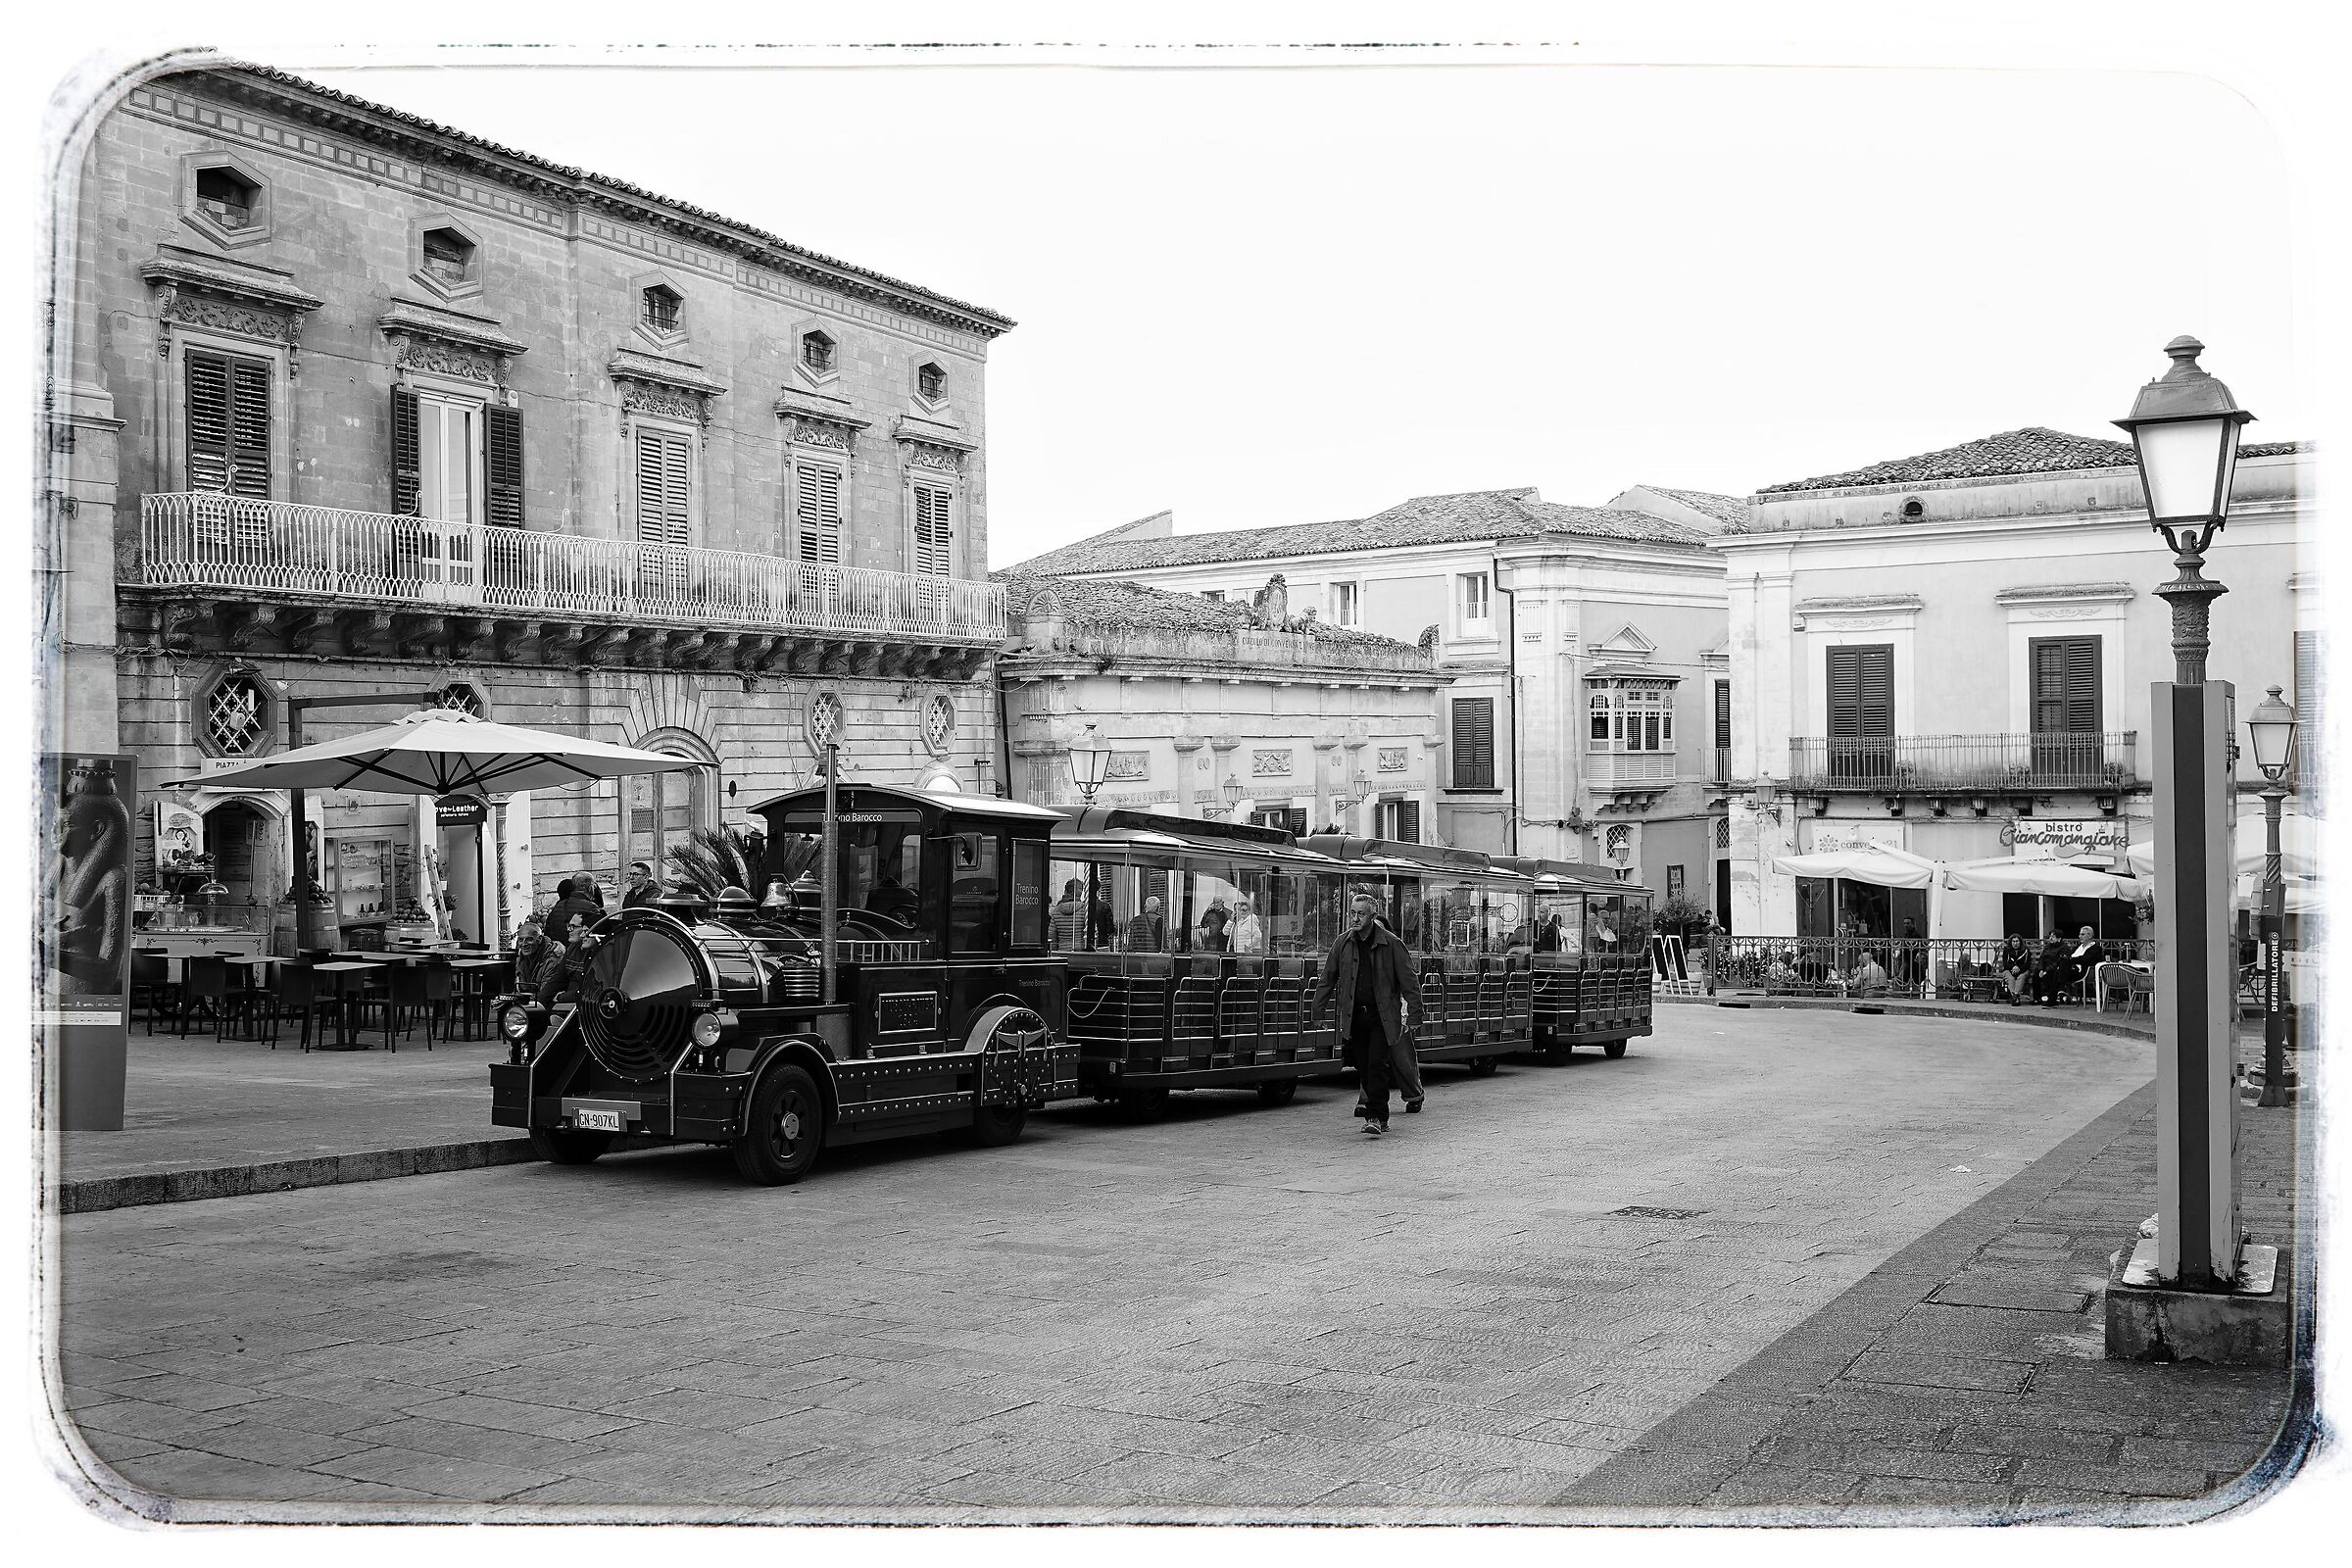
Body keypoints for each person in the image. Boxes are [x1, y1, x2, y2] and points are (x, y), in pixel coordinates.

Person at [1307, 892, 1426, 1134]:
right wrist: (1317, 1012)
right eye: (1352, 913)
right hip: (1354, 1017)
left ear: (1372, 916)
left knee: (1377, 1065)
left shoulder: (1391, 943)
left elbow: (1409, 982)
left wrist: (1415, 1015)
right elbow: (1327, 978)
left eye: (1361, 914)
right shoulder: (1342, 943)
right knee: (1362, 1065)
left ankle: (1376, 1117)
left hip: (1382, 1016)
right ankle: (1375, 1111)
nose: (1355, 918)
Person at [535, 879, 605, 1005]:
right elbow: (557, 979)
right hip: (570, 1001)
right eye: (569, 926)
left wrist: (562, 997)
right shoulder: (572, 949)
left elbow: (595, 988)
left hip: (584, 1005)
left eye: (573, 927)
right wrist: (538, 1005)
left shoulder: (600, 953)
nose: (568, 930)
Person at [2031, 933, 2076, 1005]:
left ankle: (2052, 998)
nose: (2050, 938)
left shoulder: (2064, 948)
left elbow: (2059, 962)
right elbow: (2042, 958)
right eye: (2050, 936)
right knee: (2036, 975)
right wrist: (2041, 969)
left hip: (2055, 968)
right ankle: (2037, 998)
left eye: (2053, 937)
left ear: (2059, 938)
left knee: (2049, 976)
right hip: (2044, 967)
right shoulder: (2047, 946)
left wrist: (2046, 971)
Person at [1998, 934, 2035, 1004]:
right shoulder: (2006, 950)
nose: (2015, 943)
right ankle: (2015, 997)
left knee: (2021, 977)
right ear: (2011, 942)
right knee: (2010, 978)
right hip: (2009, 970)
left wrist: (2018, 969)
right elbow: (2005, 964)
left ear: (2020, 942)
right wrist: (2013, 967)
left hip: (2023, 971)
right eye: (2013, 941)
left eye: (2017, 941)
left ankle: (2014, 995)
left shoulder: (2026, 950)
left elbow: (2027, 964)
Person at [1051, 878, 1087, 949]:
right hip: (1081, 952)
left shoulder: (1056, 911)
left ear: (1065, 891)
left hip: (1062, 952)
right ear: (1081, 893)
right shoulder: (1085, 910)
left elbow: (1052, 937)